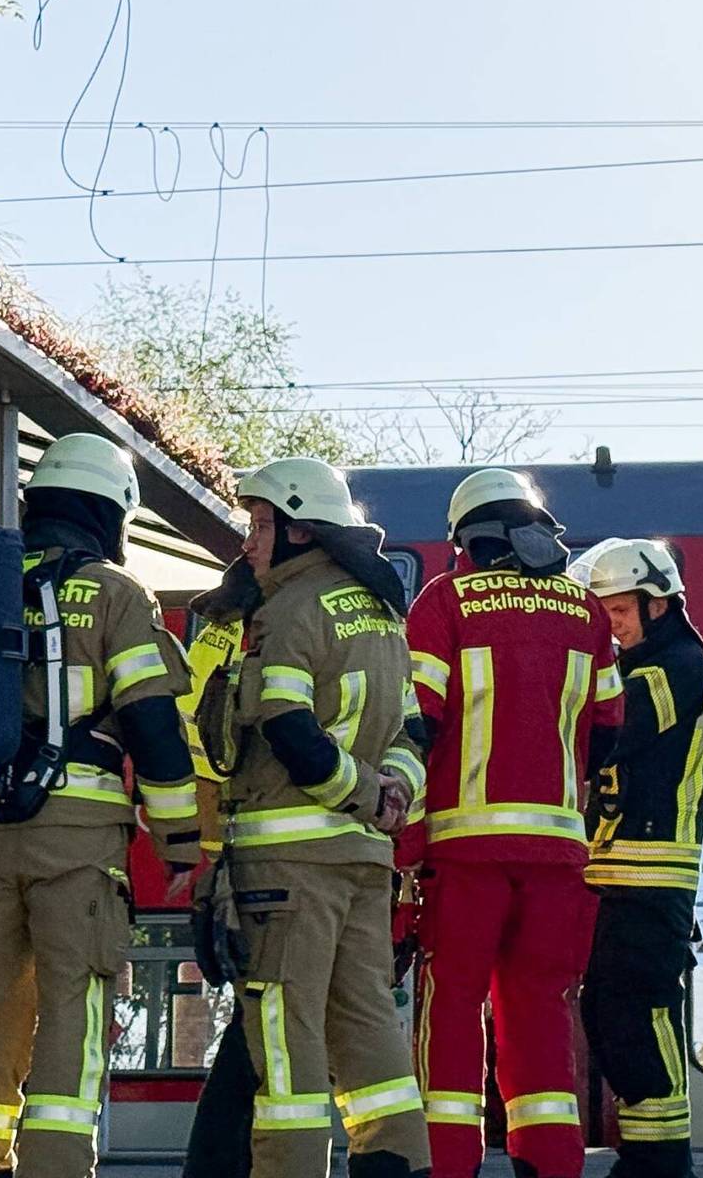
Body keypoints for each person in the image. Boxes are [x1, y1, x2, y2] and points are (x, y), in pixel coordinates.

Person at [0, 433, 204, 1178]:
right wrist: (179, 838)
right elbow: (153, 725)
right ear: (111, 512)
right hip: (75, 843)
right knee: (75, 1004)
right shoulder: (114, 593)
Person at [192, 457, 430, 1178]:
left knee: (283, 1040)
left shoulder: (288, 609)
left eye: (262, 525)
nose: (249, 543)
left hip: (288, 866)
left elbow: (286, 724)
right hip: (364, 862)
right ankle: (398, 1163)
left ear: (302, 530)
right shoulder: (381, 614)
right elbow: (414, 735)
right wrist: (391, 795)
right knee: (369, 1033)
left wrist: (358, 790)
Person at [403, 468, 621, 1178]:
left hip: (465, 850)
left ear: (465, 538)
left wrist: (405, 845)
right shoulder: (585, 611)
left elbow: (418, 727)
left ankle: (449, 1163)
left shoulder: (444, 602)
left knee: (454, 1006)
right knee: (540, 1008)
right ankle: (551, 1162)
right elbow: (609, 731)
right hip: (558, 853)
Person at [572, 538, 703, 1178]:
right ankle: (644, 1156)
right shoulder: (647, 663)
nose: (610, 626)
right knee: (609, 1011)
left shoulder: (681, 666)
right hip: (618, 874)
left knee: (642, 1012)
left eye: (619, 610)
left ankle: (662, 1162)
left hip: (650, 876)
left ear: (658, 604)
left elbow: (614, 727)